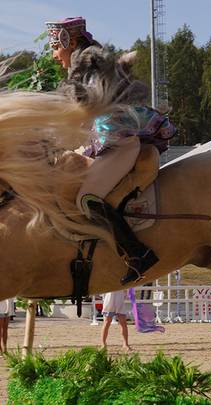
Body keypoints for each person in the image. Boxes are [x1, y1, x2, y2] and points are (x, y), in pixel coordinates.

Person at [46, 17, 176, 285]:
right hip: (106, 141)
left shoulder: (88, 65)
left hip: (118, 143)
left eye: (55, 47)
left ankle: (138, 254)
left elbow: (86, 103)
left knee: (88, 198)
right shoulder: (85, 65)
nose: (53, 54)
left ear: (67, 41)